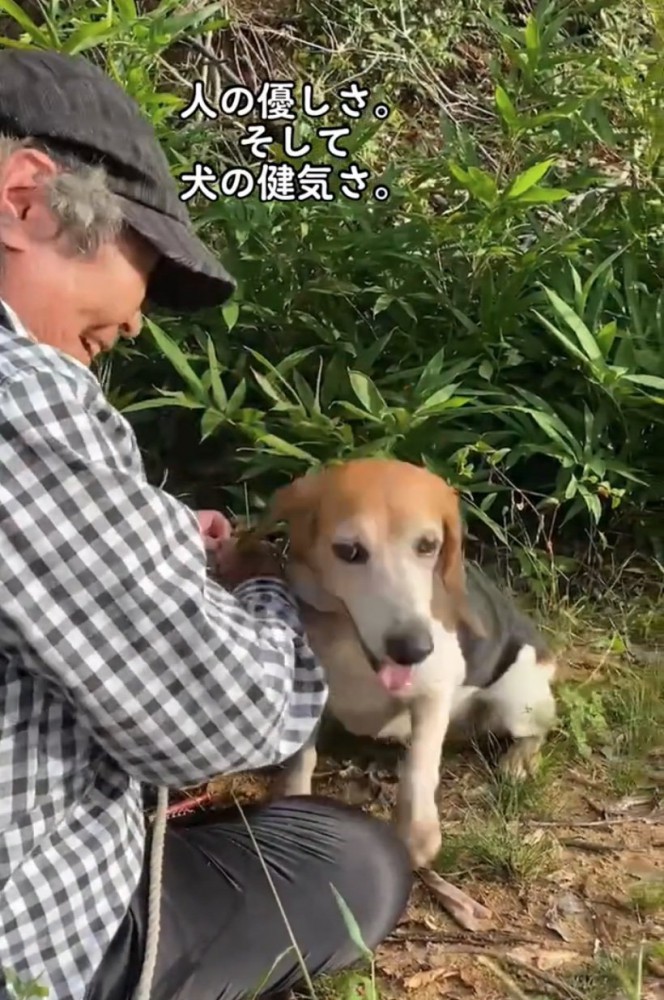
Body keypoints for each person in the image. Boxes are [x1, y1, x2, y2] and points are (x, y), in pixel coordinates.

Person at [0, 49, 413, 1000]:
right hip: (34, 946)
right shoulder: (23, 391)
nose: (140, 318)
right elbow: (221, 721)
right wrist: (267, 581)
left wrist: (153, 536)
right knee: (350, 858)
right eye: (139, 253)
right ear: (25, 199)